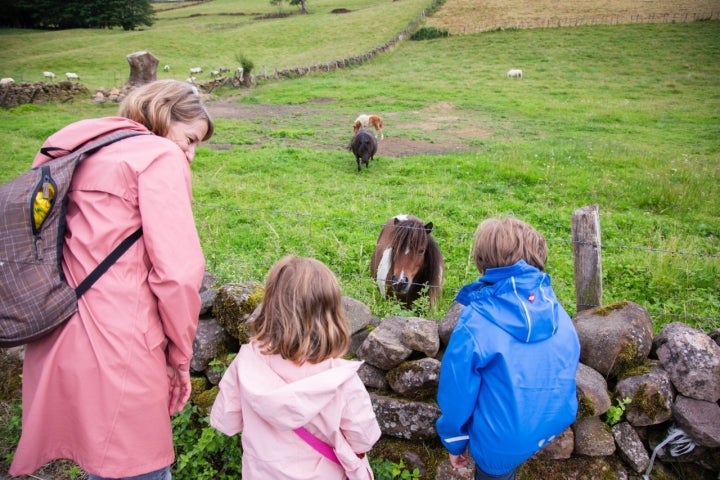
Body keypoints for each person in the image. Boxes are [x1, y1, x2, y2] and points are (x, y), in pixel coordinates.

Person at [10, 80, 214, 480]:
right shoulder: (158, 156)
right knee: (138, 467)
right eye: (189, 139)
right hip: (121, 344)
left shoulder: (77, 147)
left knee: (101, 464)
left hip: (57, 331)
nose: (189, 155)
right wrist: (180, 357)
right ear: (163, 112)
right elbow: (177, 273)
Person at [210, 255, 381, 480]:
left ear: (270, 306)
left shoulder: (246, 363)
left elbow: (227, 420)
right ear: (331, 316)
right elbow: (363, 439)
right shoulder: (341, 380)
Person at [436, 217, 580, 480]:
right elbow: (567, 360)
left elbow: (456, 391)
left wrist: (454, 442)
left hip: (500, 442)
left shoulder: (475, 323)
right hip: (550, 422)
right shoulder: (557, 311)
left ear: (482, 260)